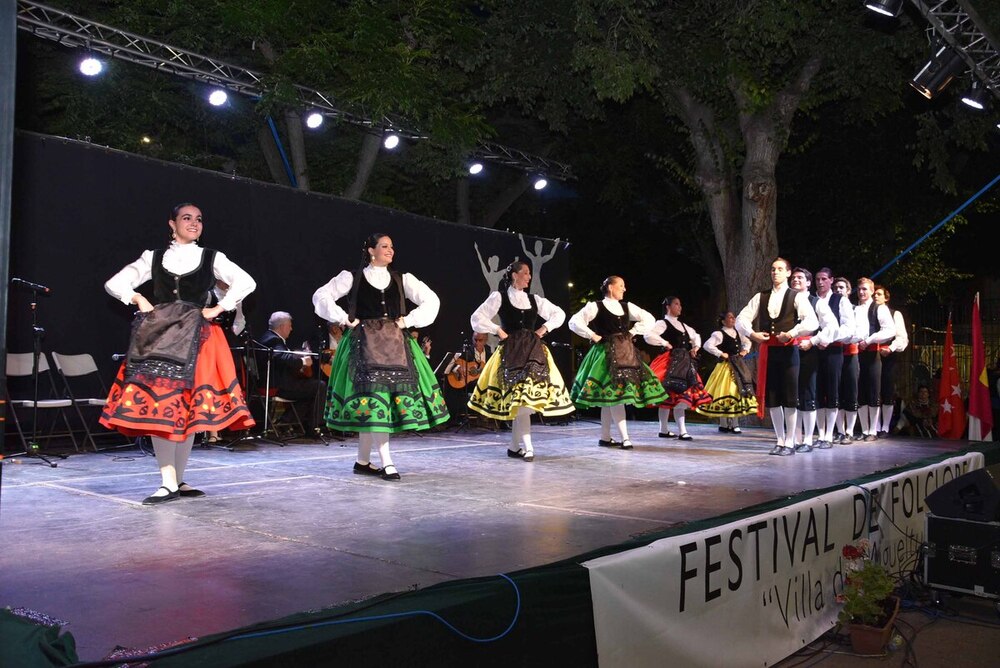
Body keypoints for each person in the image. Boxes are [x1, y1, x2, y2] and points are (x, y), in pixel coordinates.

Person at [101, 202, 256, 504]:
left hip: (197, 337)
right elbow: (113, 283)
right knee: (161, 407)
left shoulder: (211, 257)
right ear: (172, 224)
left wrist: (220, 307)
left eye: (199, 219)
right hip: (159, 337)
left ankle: (178, 480)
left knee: (187, 410)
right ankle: (167, 482)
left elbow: (246, 281)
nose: (194, 223)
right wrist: (135, 297)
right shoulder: (153, 257)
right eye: (187, 218)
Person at [312, 233, 449, 481]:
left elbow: (432, 300)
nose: (390, 250)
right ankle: (387, 462)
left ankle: (363, 461)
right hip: (363, 345)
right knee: (373, 401)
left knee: (376, 402)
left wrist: (409, 320)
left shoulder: (402, 279)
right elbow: (320, 297)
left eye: (392, 247)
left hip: (396, 345)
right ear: (370, 250)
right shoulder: (351, 278)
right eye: (384, 246)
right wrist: (344, 318)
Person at [468, 261, 574, 460]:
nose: (529, 276)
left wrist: (544, 329)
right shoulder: (499, 297)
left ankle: (516, 446)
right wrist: (497, 330)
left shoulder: (534, 300)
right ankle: (526, 446)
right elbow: (477, 317)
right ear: (514, 275)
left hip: (533, 353)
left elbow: (558, 313)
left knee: (524, 400)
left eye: (529, 273)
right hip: (511, 353)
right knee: (521, 400)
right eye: (525, 273)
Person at [569, 276, 668, 449]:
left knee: (611, 398)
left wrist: (632, 332)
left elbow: (649, 318)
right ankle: (625, 438)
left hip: (626, 353)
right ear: (610, 287)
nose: (624, 289)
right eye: (621, 285)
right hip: (604, 355)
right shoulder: (596, 306)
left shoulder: (626, 306)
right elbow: (575, 322)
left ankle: (605, 437)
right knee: (616, 397)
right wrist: (592, 335)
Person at [736, 258, 818, 456]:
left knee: (790, 397)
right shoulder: (761, 297)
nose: (775, 272)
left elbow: (812, 321)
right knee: (773, 398)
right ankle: (780, 440)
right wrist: (752, 334)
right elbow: (741, 318)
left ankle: (790, 441)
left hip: (789, 352)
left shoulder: (796, 297)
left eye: (780, 269)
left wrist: (792, 333)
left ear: (788, 273)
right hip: (769, 351)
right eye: (773, 269)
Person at [645, 296, 712, 440]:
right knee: (666, 397)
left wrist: (696, 347)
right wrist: (664, 342)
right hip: (668, 362)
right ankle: (663, 429)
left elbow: (696, 336)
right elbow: (648, 335)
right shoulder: (662, 323)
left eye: (680, 304)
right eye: (676, 304)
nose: (680, 307)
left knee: (682, 398)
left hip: (684, 363)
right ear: (668, 306)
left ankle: (682, 430)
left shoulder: (684, 326)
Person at [789, 268, 838, 452]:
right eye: (793, 277)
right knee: (792, 395)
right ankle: (794, 438)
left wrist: (813, 341)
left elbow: (831, 325)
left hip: (808, 351)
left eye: (800, 278)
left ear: (809, 283)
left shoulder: (815, 302)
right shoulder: (788, 300)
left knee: (808, 394)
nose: (796, 280)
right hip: (788, 351)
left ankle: (808, 439)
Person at [257, 311, 322, 435]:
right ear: (282, 326)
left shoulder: (268, 337)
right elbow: (281, 357)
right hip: (277, 384)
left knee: (310, 391)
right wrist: (303, 361)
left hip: (278, 382)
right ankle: (313, 428)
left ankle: (286, 422)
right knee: (319, 386)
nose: (291, 329)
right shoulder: (273, 340)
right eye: (289, 326)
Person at [812, 268, 856, 448]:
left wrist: (828, 339)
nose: (820, 282)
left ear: (831, 280)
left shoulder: (840, 300)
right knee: (816, 391)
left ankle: (830, 434)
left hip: (833, 351)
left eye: (823, 279)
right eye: (817, 279)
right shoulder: (810, 299)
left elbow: (848, 328)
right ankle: (820, 434)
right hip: (813, 350)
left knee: (831, 391)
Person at [696, 311, 757, 433]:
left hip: (738, 366)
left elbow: (748, 342)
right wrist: (720, 353)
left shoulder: (739, 333)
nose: (733, 319)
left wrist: (745, 350)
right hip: (725, 367)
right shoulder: (719, 334)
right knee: (724, 392)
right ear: (723, 321)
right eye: (730, 317)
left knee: (737, 391)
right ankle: (723, 423)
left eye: (734, 317)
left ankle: (735, 423)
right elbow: (708, 345)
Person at [854, 277, 896, 442]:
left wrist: (870, 340)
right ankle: (865, 429)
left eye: (865, 289)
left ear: (872, 291)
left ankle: (873, 430)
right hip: (857, 353)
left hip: (872, 354)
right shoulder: (855, 309)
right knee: (861, 392)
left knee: (873, 390)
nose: (862, 292)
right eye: (860, 289)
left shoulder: (879, 309)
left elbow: (890, 331)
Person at [873, 285, 908, 437]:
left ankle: (885, 427)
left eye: (879, 294)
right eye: (874, 293)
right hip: (870, 355)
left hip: (888, 356)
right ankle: (875, 426)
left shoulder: (895, 314)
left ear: (886, 298)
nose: (876, 296)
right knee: (873, 391)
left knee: (887, 390)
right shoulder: (868, 312)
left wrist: (891, 348)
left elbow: (902, 337)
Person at [833, 277, 861, 443]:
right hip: (834, 354)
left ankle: (849, 431)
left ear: (849, 291)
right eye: (836, 288)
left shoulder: (855, 310)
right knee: (836, 392)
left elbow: (858, 332)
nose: (838, 290)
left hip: (850, 354)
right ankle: (840, 431)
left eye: (842, 288)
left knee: (850, 392)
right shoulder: (830, 308)